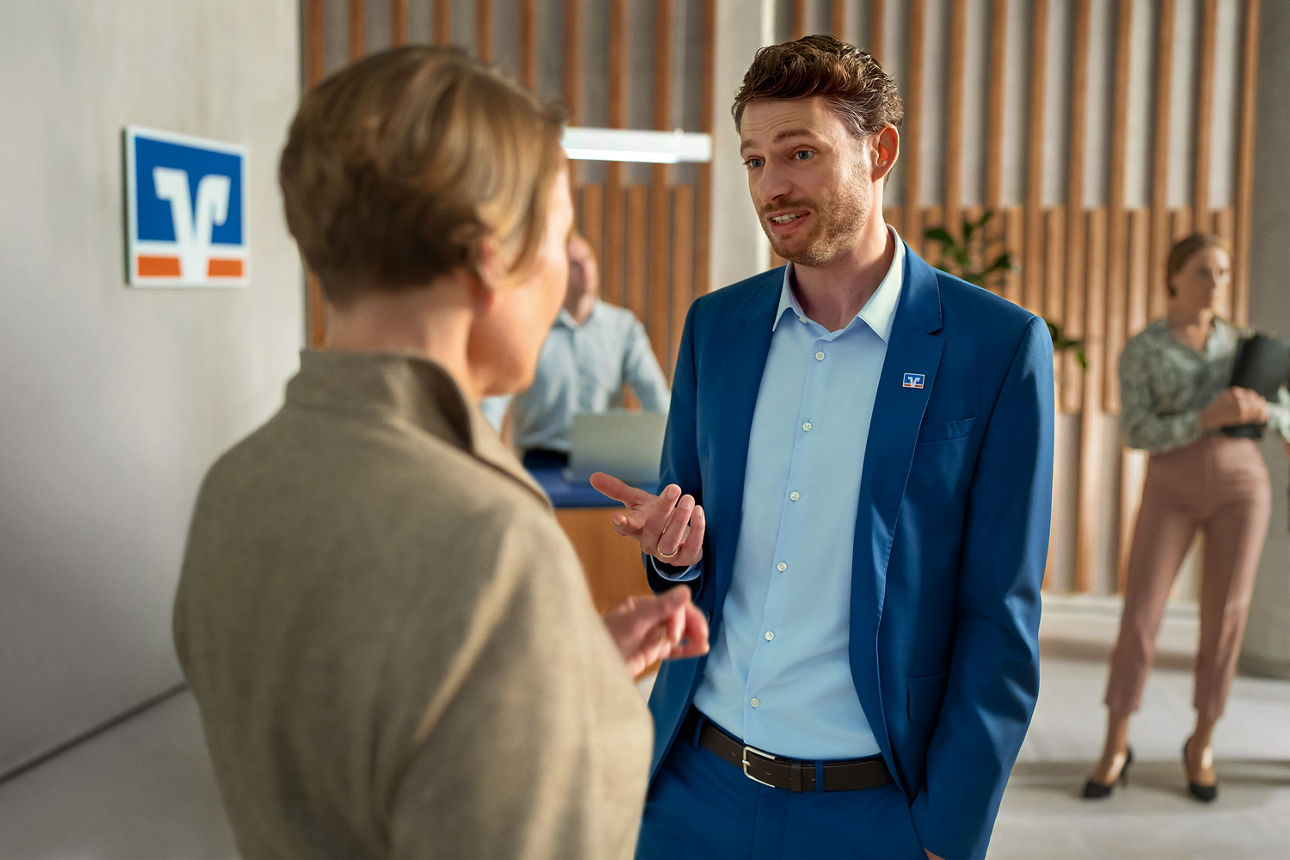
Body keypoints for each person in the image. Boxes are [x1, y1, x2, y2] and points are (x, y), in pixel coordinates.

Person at [173, 46, 707, 859]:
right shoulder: (488, 544)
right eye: (559, 242)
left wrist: (562, 671)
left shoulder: (235, 484)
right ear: (491, 260)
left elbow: (372, 729)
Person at [591, 34, 1054, 860]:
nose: (773, 185)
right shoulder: (717, 329)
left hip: (875, 810)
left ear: (880, 152)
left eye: (801, 152)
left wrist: (949, 832)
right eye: (755, 160)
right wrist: (670, 557)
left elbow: (1000, 620)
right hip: (693, 787)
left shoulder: (997, 347)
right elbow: (687, 543)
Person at [1083, 233, 1290, 802]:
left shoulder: (1246, 345)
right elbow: (1136, 431)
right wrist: (1206, 416)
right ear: (1174, 276)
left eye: (1223, 272)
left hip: (1244, 486)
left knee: (1226, 619)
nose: (1216, 283)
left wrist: (1260, 409)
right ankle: (1115, 741)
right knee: (1141, 617)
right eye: (1204, 271)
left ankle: (1202, 741)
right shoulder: (1143, 349)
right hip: (1170, 488)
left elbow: (1283, 410)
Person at [481, 233, 670, 469]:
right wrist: (483, 457)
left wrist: (663, 458)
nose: (585, 268)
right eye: (573, 264)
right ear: (556, 271)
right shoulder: (530, 327)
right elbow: (494, 401)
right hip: (540, 461)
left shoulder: (623, 327)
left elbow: (657, 399)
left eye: (588, 259)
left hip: (606, 459)